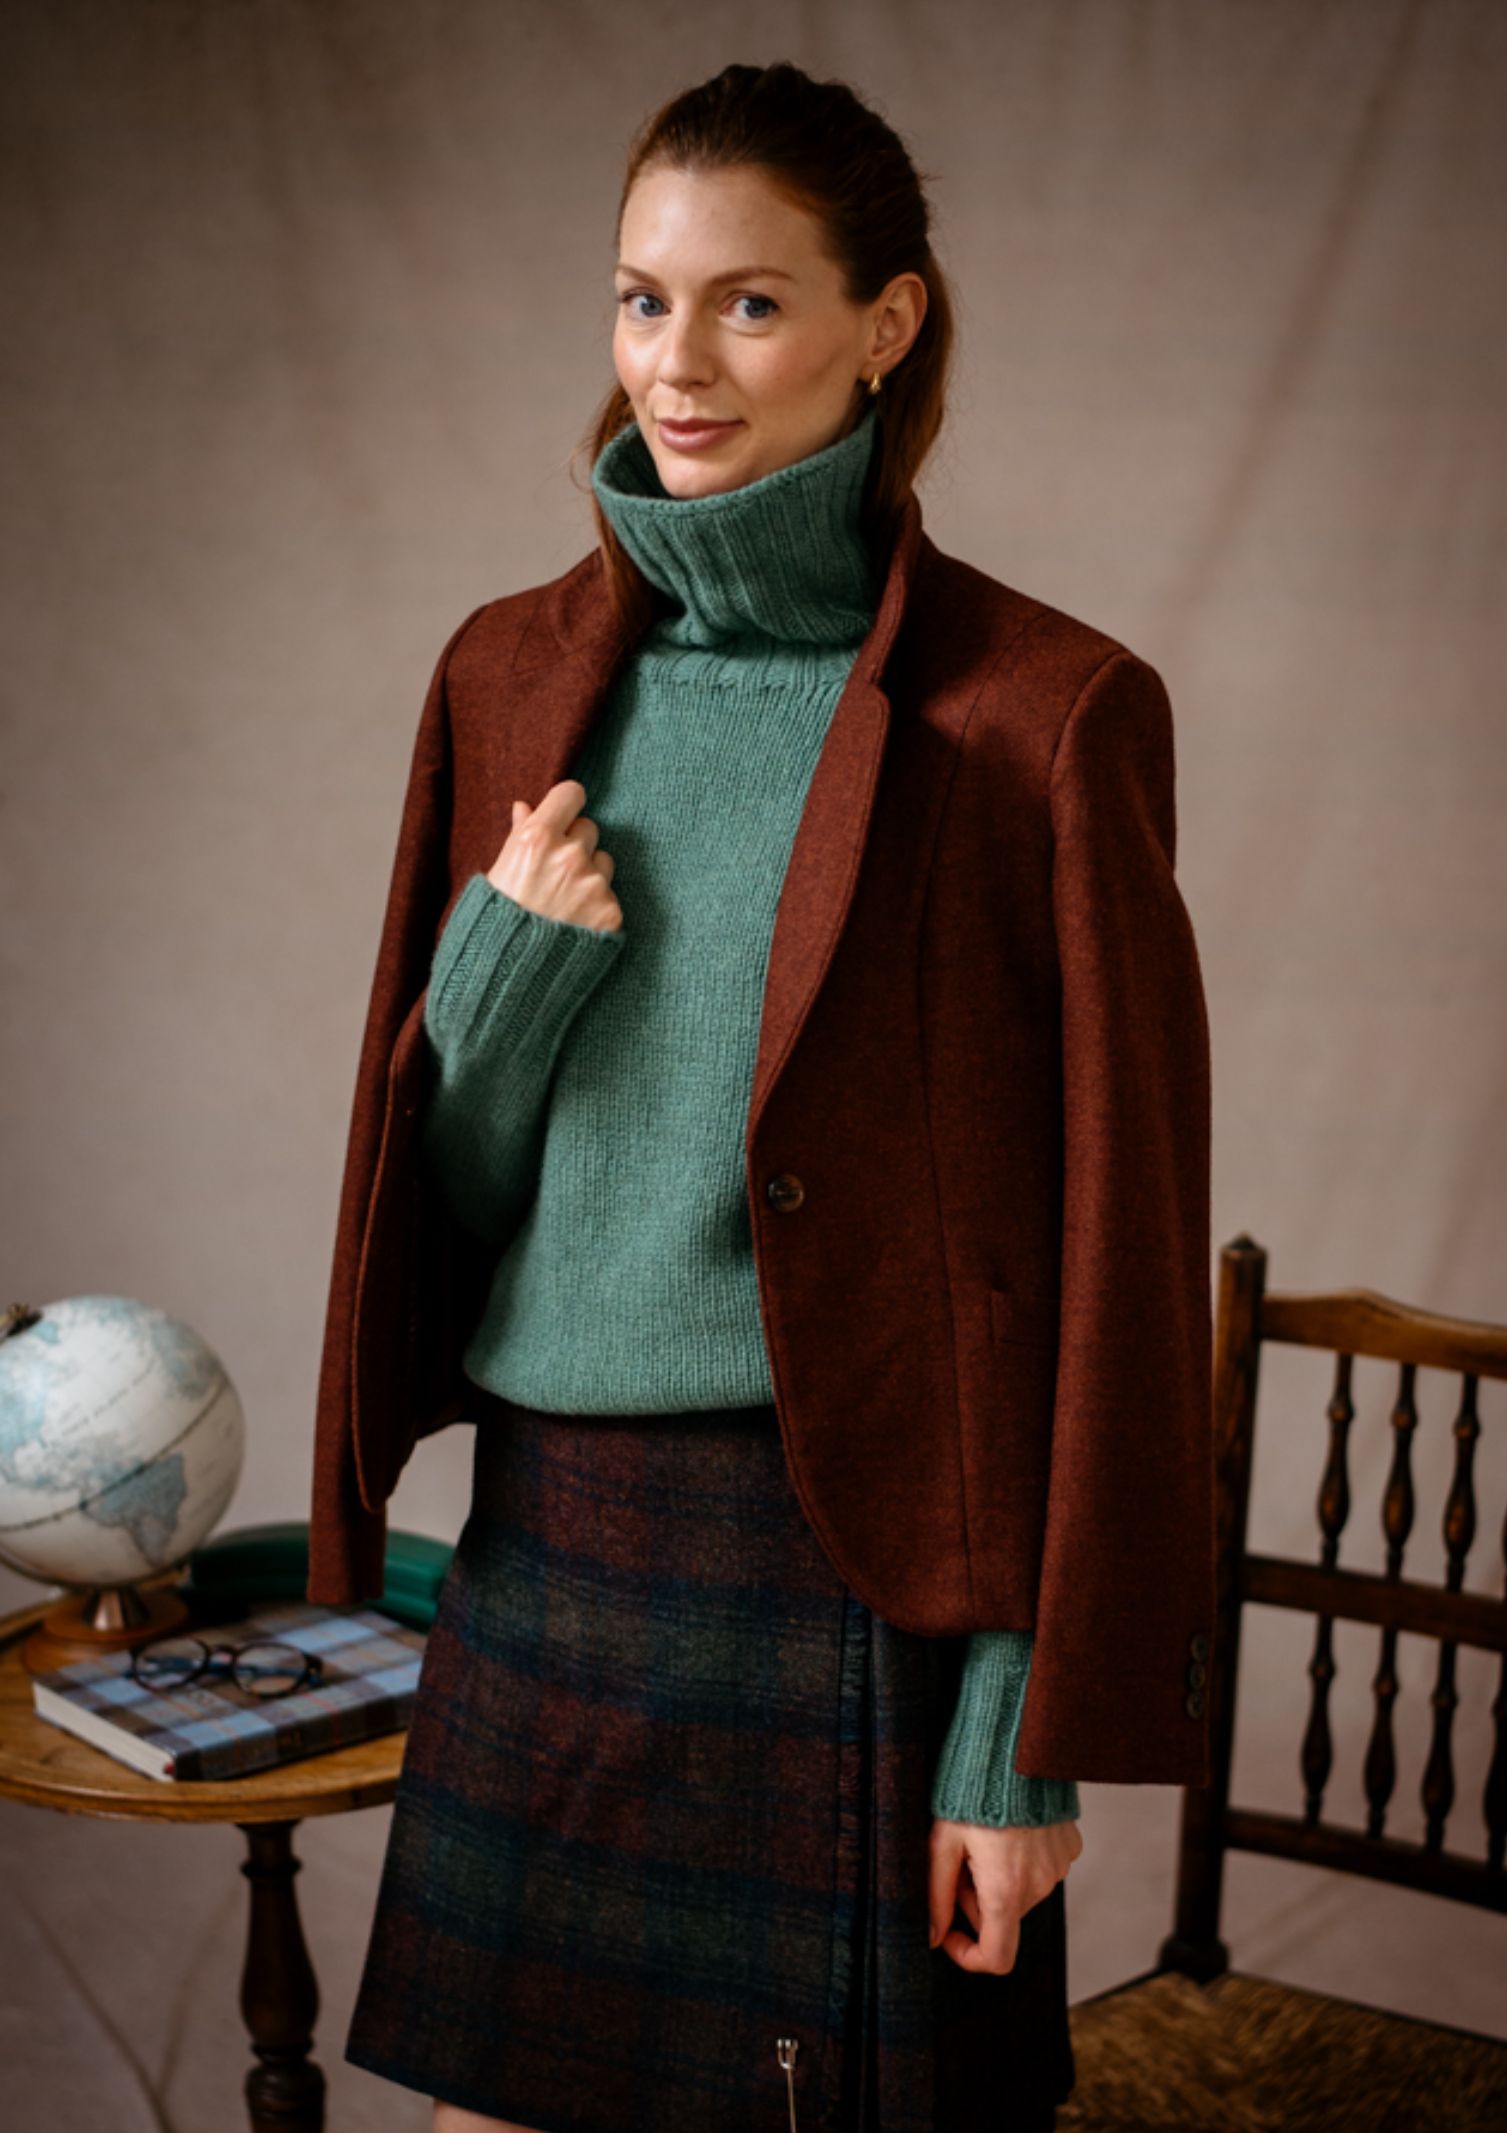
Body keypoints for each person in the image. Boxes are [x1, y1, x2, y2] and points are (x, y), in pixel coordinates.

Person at [318, 56, 1214, 2133]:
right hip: (552, 1547)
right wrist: (504, 983)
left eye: (746, 301)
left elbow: (1103, 1261)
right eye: (641, 299)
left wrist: (1018, 1720)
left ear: (881, 323)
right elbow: (447, 1200)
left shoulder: (1041, 722)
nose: (678, 362)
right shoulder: (504, 675)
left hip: (850, 1580)